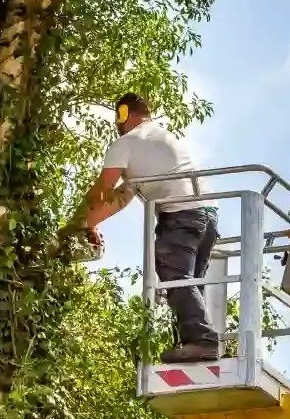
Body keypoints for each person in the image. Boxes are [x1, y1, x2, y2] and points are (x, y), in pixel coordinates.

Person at [76, 93, 221, 363]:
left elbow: (102, 191)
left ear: (123, 114)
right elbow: (120, 198)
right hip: (207, 217)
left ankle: (203, 340)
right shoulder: (157, 141)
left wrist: (73, 226)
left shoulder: (126, 142)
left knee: (174, 273)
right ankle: (195, 344)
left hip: (181, 214)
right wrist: (90, 224)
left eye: (117, 118)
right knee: (190, 284)